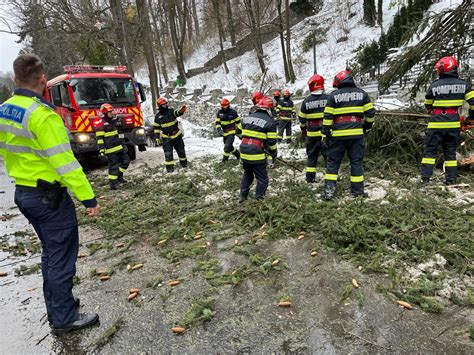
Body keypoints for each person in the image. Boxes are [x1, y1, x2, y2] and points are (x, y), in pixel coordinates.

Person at [0, 54, 100, 335]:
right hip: (49, 198)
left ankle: (58, 305)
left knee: (50, 254)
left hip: (25, 194)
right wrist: (88, 198)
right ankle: (65, 318)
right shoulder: (43, 117)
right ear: (43, 80)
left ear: (15, 79)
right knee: (61, 257)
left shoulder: (5, 110)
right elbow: (67, 165)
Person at [321, 70, 375, 200]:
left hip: (337, 135)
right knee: (356, 162)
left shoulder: (333, 96)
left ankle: (329, 191)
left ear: (339, 82)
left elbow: (327, 117)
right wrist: (366, 127)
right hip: (357, 135)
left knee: (333, 162)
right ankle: (357, 191)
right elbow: (370, 114)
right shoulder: (362, 94)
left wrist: (325, 134)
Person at [422, 56, 474, 185]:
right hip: (453, 124)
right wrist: (471, 117)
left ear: (443, 69)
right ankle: (451, 179)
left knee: (430, 151)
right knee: (450, 152)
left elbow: (428, 104)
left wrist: (432, 109)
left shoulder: (435, 85)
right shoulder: (463, 85)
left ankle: (425, 180)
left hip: (436, 123)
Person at [236, 96, 278, 202]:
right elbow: (272, 142)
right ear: (269, 109)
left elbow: (237, 131)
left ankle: (243, 196)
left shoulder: (247, 118)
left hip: (244, 152)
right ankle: (259, 199)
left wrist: (246, 139)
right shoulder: (270, 122)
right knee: (262, 178)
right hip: (257, 154)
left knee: (247, 174)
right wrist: (273, 153)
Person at [298, 74, 328, 183]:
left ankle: (310, 179)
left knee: (311, 157)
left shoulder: (306, 101)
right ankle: (330, 179)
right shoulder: (329, 98)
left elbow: (301, 118)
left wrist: (303, 130)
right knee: (328, 157)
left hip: (312, 134)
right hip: (326, 134)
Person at [95, 103, 130, 190]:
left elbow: (119, 134)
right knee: (113, 166)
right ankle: (113, 184)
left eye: (111, 111)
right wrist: (102, 151)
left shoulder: (113, 122)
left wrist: (124, 144)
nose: (112, 113)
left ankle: (119, 176)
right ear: (104, 113)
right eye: (109, 112)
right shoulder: (101, 124)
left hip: (119, 148)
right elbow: (100, 139)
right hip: (110, 150)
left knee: (126, 161)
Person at [153, 97, 188, 172]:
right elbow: (156, 128)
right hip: (166, 138)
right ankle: (170, 170)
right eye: (163, 105)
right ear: (159, 106)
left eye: (166, 104)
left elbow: (177, 113)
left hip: (177, 136)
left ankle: (185, 166)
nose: (165, 106)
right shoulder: (157, 117)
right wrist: (156, 138)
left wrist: (181, 111)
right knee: (168, 155)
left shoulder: (171, 111)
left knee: (181, 152)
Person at [215, 98, 241, 162]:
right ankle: (238, 155)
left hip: (232, 132)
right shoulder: (219, 112)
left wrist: (239, 131)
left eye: (226, 106)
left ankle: (224, 161)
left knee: (227, 147)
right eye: (223, 106)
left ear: (228, 105)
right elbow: (217, 123)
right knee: (230, 147)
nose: (224, 107)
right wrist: (219, 130)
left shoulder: (233, 112)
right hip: (224, 132)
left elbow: (238, 122)